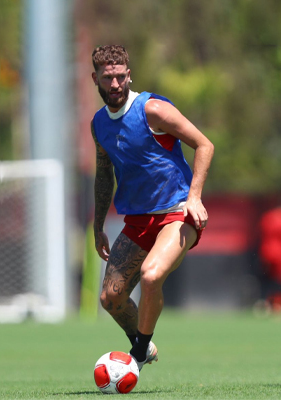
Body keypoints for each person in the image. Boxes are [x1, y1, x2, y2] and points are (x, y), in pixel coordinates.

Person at [89, 45, 214, 371]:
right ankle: (143, 343)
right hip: (137, 221)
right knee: (111, 299)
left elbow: (205, 145)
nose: (114, 84)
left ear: (129, 75)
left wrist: (195, 196)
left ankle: (139, 353)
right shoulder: (99, 125)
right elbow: (104, 173)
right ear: (96, 79)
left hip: (177, 212)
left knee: (151, 274)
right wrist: (98, 223)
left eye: (120, 77)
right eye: (107, 78)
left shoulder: (153, 110)